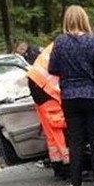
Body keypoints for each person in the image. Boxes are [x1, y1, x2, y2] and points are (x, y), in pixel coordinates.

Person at [48, 5, 94, 186]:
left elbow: (52, 68)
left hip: (70, 96)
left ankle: (76, 184)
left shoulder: (60, 42)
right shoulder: (93, 41)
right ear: (84, 19)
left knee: (75, 141)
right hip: (91, 95)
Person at [26, 41, 71, 178]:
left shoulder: (59, 43)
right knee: (58, 127)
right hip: (45, 87)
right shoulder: (68, 45)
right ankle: (68, 165)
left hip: (37, 85)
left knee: (51, 131)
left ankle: (58, 165)